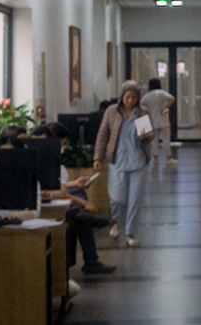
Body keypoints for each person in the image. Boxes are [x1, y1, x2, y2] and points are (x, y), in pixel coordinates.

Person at [30, 124, 117, 277]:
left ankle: (83, 216)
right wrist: (84, 203)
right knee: (77, 210)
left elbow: (59, 190)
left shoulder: (56, 166)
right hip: (38, 204)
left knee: (77, 191)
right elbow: (61, 193)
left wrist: (72, 184)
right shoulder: (28, 163)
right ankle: (86, 221)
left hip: (49, 201)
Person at [94, 80, 153, 248]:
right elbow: (102, 134)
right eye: (128, 97)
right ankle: (115, 222)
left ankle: (130, 233)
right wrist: (97, 157)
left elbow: (150, 134)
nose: (130, 101)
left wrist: (146, 135)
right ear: (122, 96)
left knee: (135, 200)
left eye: (134, 97)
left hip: (138, 161)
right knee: (117, 198)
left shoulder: (142, 113)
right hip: (117, 161)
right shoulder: (112, 111)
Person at [140, 78, 177, 167]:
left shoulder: (147, 96)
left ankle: (155, 159)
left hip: (152, 120)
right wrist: (165, 106)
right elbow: (172, 98)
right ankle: (168, 158)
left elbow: (141, 105)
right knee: (166, 140)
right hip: (163, 119)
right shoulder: (161, 93)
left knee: (154, 141)